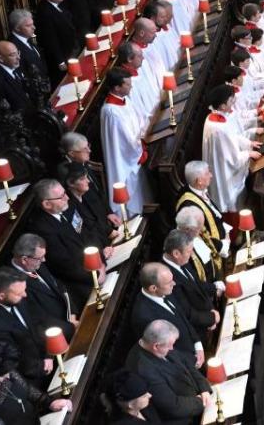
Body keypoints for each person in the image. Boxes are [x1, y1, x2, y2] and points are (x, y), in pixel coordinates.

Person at [25, 179, 107, 311]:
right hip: (80, 282)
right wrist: (96, 276)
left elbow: (87, 233)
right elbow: (64, 265)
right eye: (61, 196)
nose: (67, 197)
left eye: (65, 193)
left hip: (97, 266)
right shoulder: (42, 229)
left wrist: (100, 259)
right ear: (46, 204)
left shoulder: (67, 208)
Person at [125, 320, 211, 423]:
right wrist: (201, 402)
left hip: (199, 398)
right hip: (186, 417)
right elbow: (172, 406)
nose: (172, 348)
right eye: (170, 345)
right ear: (156, 346)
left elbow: (188, 365)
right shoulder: (143, 369)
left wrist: (204, 388)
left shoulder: (159, 341)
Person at [0, 268, 51, 388]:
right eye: (19, 293)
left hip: (45, 355)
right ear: (1, 296)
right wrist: (42, 366)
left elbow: (36, 322)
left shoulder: (15, 296)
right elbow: (13, 360)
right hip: (32, 378)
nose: (25, 295)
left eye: (24, 290)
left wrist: (49, 353)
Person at [202, 85, 262, 217]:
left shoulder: (218, 117)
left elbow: (234, 136)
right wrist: (248, 153)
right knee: (232, 202)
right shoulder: (218, 128)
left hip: (223, 163)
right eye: (231, 100)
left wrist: (249, 143)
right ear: (222, 106)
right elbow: (232, 159)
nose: (234, 102)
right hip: (224, 171)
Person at [129, 263, 204, 369]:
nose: (174, 283)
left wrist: (198, 344)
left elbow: (183, 319)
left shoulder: (165, 290)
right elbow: (163, 351)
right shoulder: (143, 316)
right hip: (184, 366)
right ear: (153, 288)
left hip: (194, 352)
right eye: (169, 282)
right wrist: (193, 361)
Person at [0, 340, 71, 424]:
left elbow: (28, 390)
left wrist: (50, 403)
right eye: (3, 374)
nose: (9, 376)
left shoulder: (5, 369)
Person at [100, 69, 150, 217]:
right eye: (127, 84)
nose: (131, 87)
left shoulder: (125, 100)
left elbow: (138, 119)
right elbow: (123, 142)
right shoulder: (111, 112)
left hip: (136, 148)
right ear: (117, 87)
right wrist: (140, 149)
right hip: (125, 160)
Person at [10, 234, 78, 340]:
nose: (44, 260)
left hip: (71, 319)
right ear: (24, 259)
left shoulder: (35, 264)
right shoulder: (16, 285)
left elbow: (59, 286)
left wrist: (72, 312)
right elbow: (40, 318)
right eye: (40, 258)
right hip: (59, 334)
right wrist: (71, 327)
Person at [160, 230, 221, 341]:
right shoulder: (167, 278)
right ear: (176, 253)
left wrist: (214, 289)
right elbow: (187, 312)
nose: (192, 253)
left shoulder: (181, 260)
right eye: (189, 251)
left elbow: (196, 283)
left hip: (207, 314)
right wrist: (211, 318)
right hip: (198, 330)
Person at [176, 161, 231, 276]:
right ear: (199, 181)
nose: (211, 175)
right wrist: (224, 244)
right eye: (207, 173)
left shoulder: (197, 190)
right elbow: (201, 236)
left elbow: (215, 215)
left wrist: (226, 230)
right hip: (213, 254)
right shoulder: (189, 207)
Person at [35, 0, 80, 86]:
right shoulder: (45, 12)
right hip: (63, 58)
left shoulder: (58, 4)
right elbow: (50, 39)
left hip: (71, 51)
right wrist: (60, 61)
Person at [6, 9, 50, 99]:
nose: (34, 27)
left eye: (32, 24)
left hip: (44, 88)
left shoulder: (26, 38)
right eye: (28, 25)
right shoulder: (12, 47)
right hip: (35, 95)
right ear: (17, 28)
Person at [0, 41, 33, 115]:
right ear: (0, 58)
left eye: (18, 53)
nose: (18, 57)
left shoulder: (16, 67)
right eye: (13, 55)